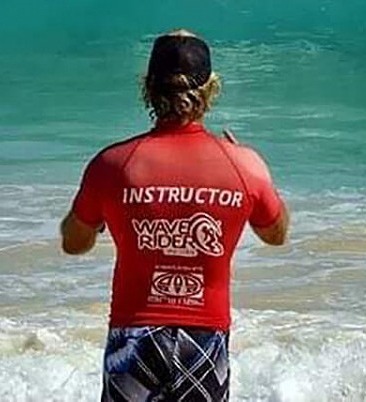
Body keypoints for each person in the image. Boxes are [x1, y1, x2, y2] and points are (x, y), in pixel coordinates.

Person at [60, 29, 289, 402]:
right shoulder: (243, 164)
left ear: (148, 87)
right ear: (211, 88)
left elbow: (74, 243)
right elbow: (275, 233)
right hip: (205, 336)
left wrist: (96, 217)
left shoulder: (113, 164)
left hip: (134, 335)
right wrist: (250, 165)